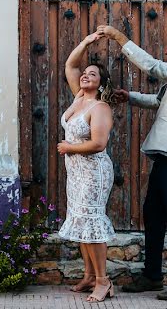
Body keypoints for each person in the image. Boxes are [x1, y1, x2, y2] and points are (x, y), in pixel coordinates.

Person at [97, 25, 167, 301]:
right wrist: (129, 97)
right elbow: (160, 101)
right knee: (154, 215)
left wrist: (121, 38)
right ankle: (152, 276)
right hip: (166, 156)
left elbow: (153, 67)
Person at [56, 30, 116, 303]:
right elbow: (70, 64)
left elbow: (98, 144)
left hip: (94, 171)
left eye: (93, 74)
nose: (86, 75)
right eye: (86, 72)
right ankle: (89, 276)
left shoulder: (100, 107)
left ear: (101, 83)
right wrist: (86, 42)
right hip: (77, 172)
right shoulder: (78, 97)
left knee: (91, 220)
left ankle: (104, 281)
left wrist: (69, 148)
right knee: (81, 221)